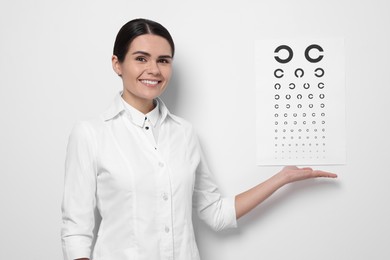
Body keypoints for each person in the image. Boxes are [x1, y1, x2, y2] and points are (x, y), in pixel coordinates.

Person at [61, 18, 337, 260]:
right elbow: (76, 230)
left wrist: (282, 178)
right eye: (141, 58)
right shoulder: (90, 133)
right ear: (117, 64)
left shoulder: (184, 133)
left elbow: (216, 213)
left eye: (163, 60)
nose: (154, 70)